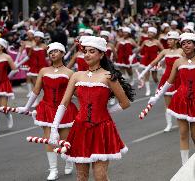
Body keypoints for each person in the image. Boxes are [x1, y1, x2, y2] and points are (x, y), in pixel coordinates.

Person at [50, 36, 134, 180]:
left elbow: (125, 103)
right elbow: (64, 103)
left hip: (102, 129)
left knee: (100, 176)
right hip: (80, 129)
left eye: (92, 51)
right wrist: (53, 128)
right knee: (81, 176)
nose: (87, 55)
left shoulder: (108, 76)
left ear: (101, 54)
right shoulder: (77, 76)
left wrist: (105, 112)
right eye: (85, 51)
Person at [147, 33, 195, 165]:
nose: (186, 45)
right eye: (183, 43)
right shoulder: (178, 61)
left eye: (189, 42)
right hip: (180, 99)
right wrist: (156, 96)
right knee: (183, 133)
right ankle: (184, 165)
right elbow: (169, 82)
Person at [17, 42, 78, 180]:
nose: (53, 54)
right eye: (50, 52)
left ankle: (68, 161)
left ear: (62, 53)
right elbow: (36, 91)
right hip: (47, 108)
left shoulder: (70, 73)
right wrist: (27, 107)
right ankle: (53, 170)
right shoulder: (43, 71)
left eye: (56, 51)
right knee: (49, 140)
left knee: (65, 139)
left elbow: (75, 93)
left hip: (65, 109)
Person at [139, 31, 183, 132]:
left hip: (179, 79)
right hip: (166, 79)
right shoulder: (165, 51)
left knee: (180, 102)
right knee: (167, 105)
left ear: (176, 41)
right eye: (168, 40)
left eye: (171, 40)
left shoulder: (181, 51)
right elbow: (154, 62)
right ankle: (169, 124)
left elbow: (190, 61)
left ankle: (182, 121)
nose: (168, 41)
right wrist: (143, 72)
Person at [139, 27, 164, 95]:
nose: (149, 34)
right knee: (146, 75)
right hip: (146, 60)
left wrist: (160, 58)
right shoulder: (145, 41)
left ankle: (158, 87)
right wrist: (133, 55)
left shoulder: (157, 42)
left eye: (151, 33)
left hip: (154, 60)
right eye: (149, 32)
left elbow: (163, 50)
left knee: (154, 77)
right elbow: (140, 49)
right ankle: (148, 90)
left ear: (155, 34)